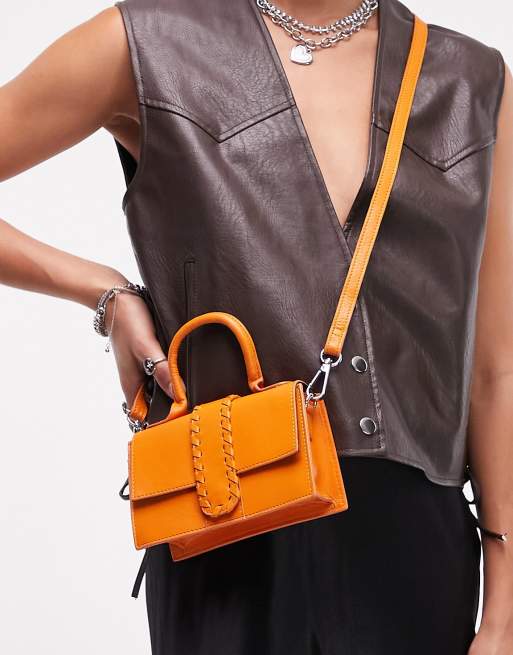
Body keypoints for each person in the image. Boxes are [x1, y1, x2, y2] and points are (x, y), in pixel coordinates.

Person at [1, 0, 512, 653]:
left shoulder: (471, 80)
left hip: (413, 544)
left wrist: (504, 606)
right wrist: (102, 291)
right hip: (225, 520)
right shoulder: (143, 43)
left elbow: (495, 366)